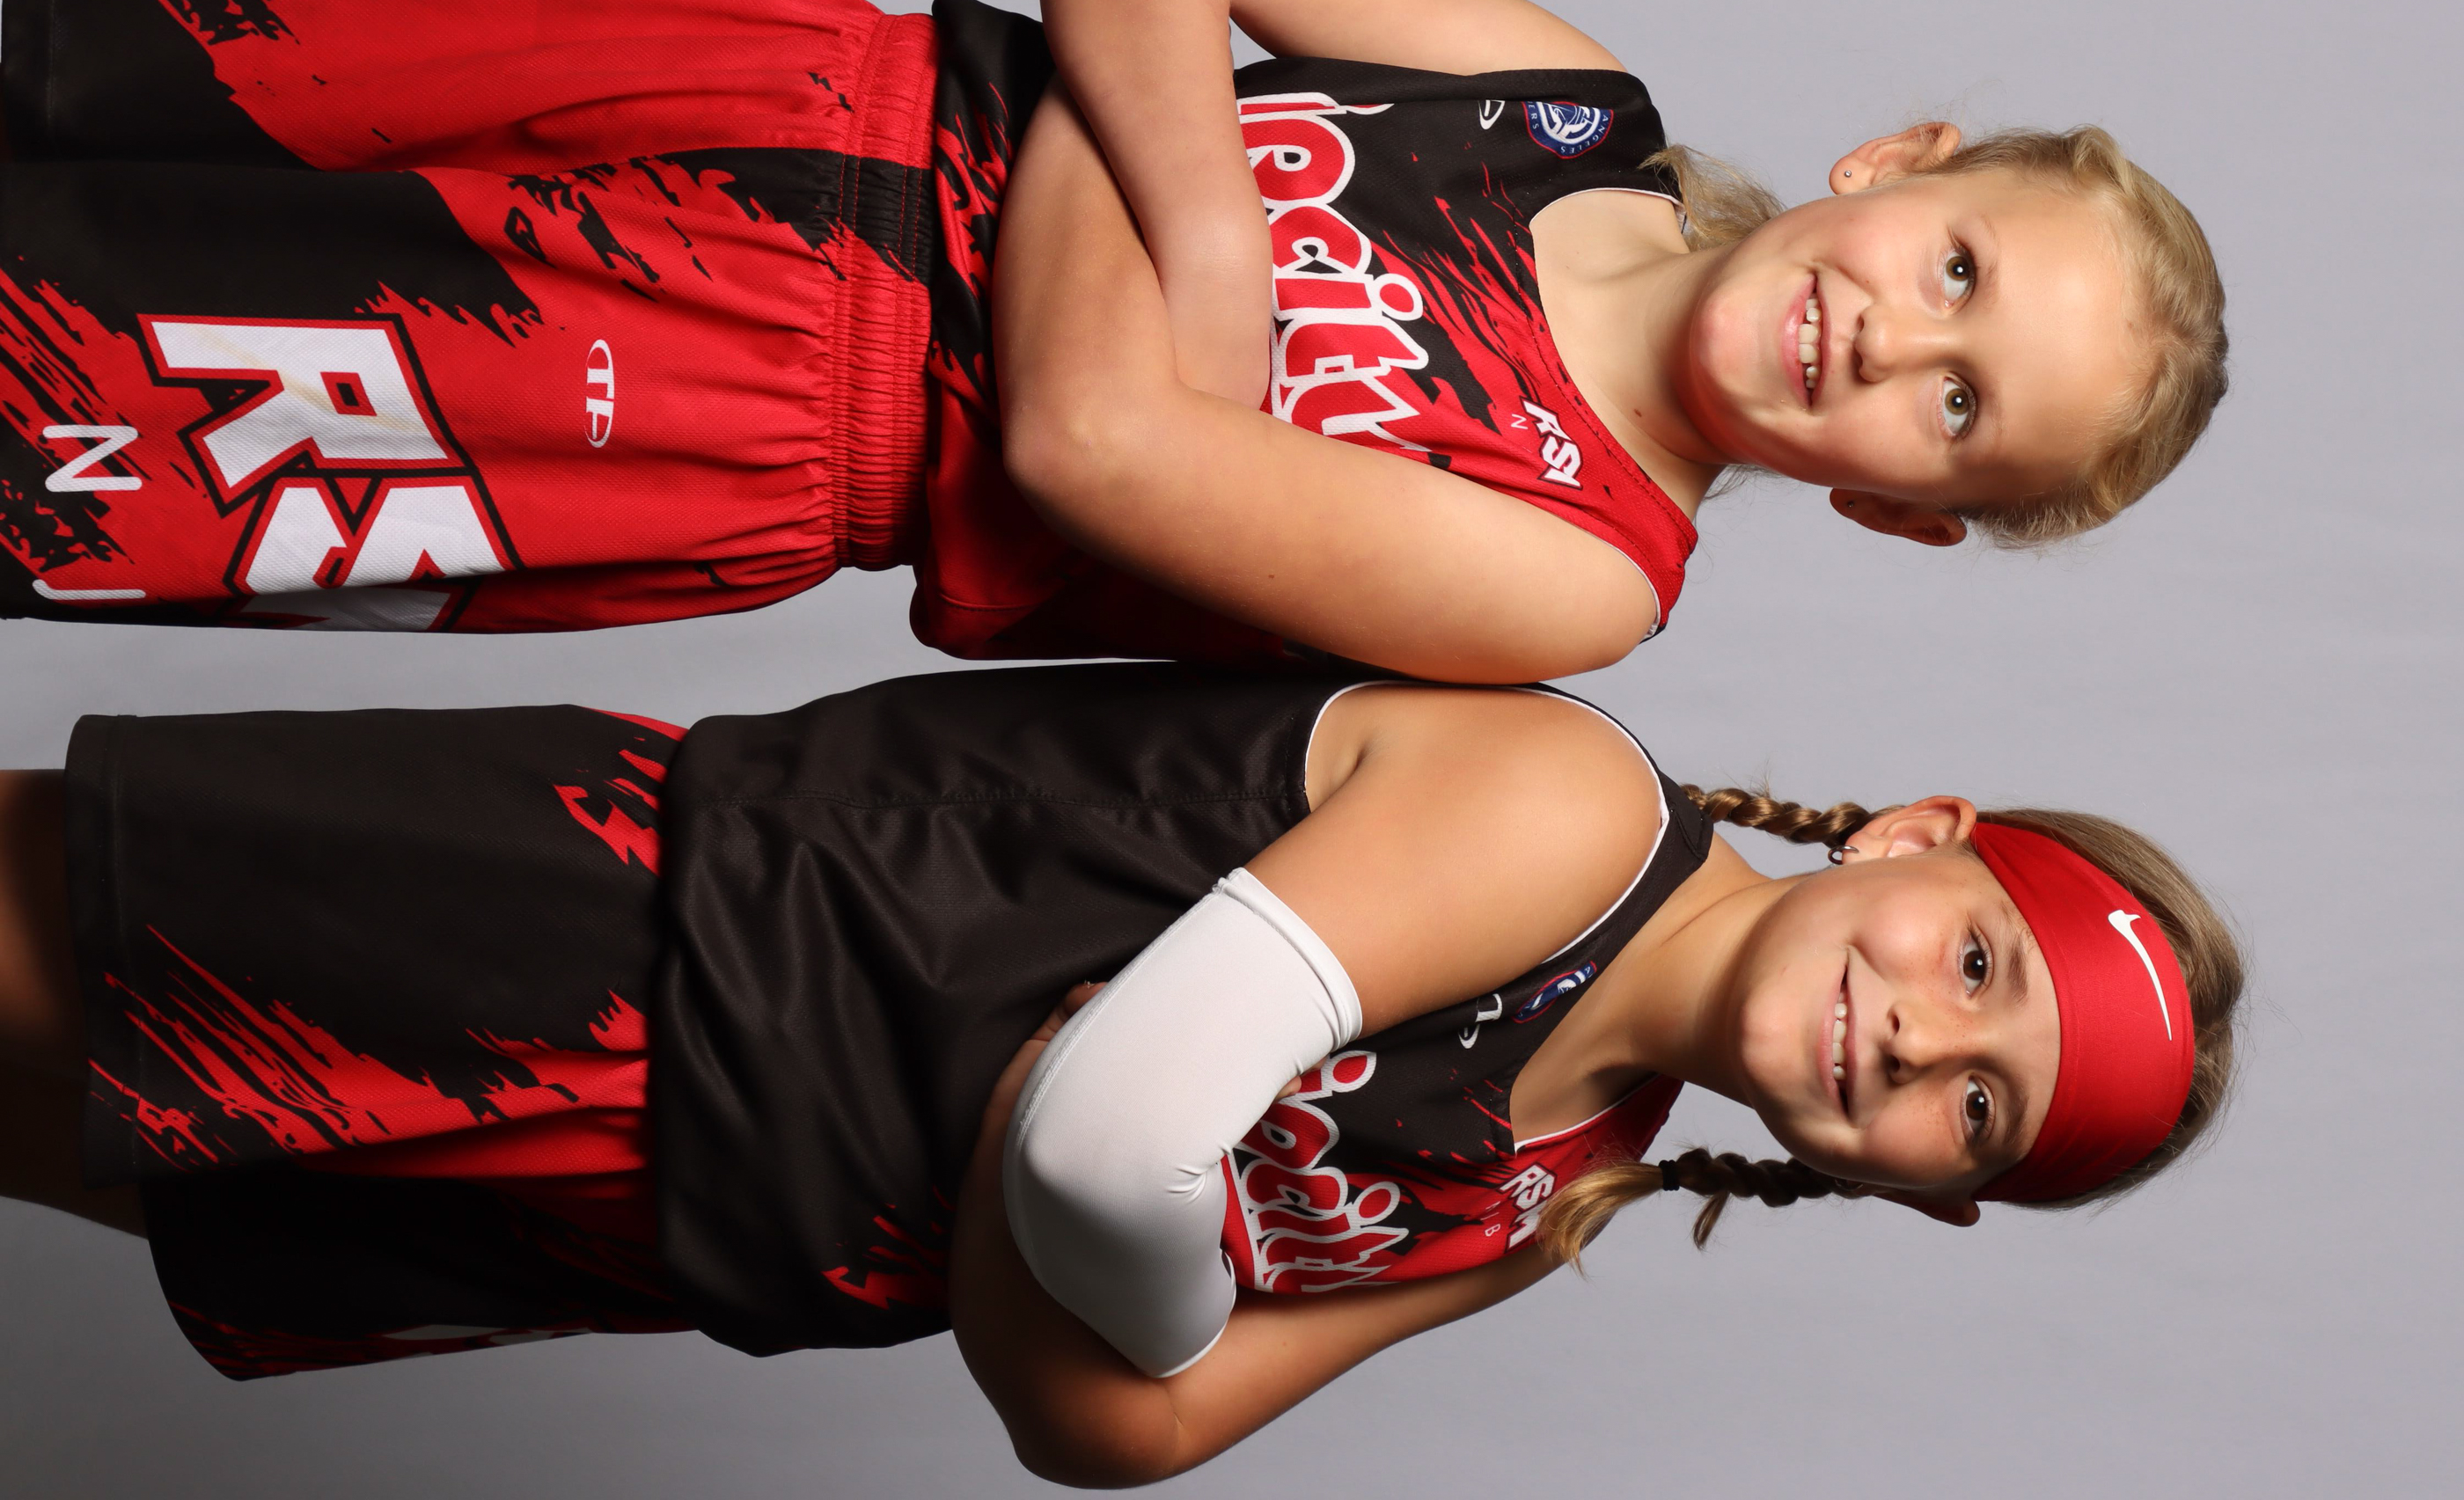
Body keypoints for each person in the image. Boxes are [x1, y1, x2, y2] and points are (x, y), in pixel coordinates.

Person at [0, 0, 2226, 679]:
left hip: (720, 410)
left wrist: (1129, 91)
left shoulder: (1579, 570)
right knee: (83, 98)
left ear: (1895, 514)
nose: (1891, 344)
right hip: (747, 82)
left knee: (59, 397)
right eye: (1955, 270)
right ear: (1897, 160)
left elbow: (1076, 441)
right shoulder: (1557, 103)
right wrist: (1207, 234)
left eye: (1958, 413)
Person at [0, 662, 2241, 1482]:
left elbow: (1114, 1430)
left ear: (1932, 1192)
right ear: (1913, 836)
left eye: (1977, 1103)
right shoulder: (1566, 807)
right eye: (1974, 960)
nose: (1918, 1034)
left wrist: (1086, 1214)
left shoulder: (1545, 1196)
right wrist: (1078, 1212)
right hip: (628, 938)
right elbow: (1093, 1143)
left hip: (685, 1225)